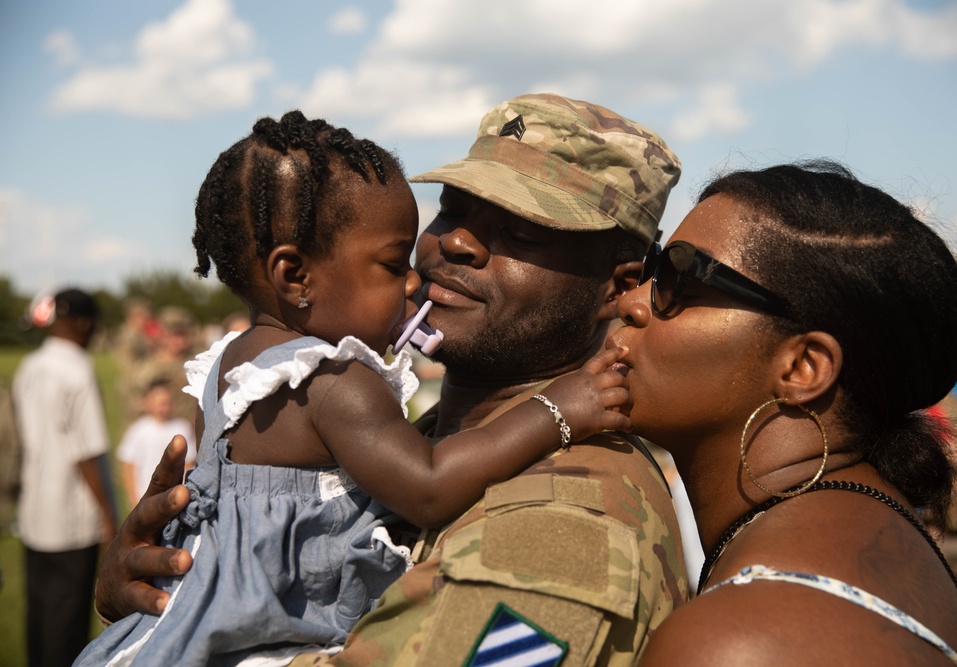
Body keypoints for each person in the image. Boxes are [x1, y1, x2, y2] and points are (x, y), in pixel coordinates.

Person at [94, 94, 689, 666]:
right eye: (454, 209)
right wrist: (157, 586)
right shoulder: (417, 435)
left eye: (523, 232)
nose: (455, 241)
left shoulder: (567, 530)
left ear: (618, 286)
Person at [619, 161, 957, 665]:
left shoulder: (739, 642)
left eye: (679, 278)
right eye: (650, 267)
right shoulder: (874, 528)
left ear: (802, 367)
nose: (631, 301)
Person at [13, 287, 118, 667]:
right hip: (71, 518)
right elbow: (87, 452)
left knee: (39, 613)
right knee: (68, 622)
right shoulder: (77, 369)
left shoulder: (30, 367)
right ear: (84, 323)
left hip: (34, 511)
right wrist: (109, 517)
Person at [116, 377, 196, 508]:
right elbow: (129, 468)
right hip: (145, 497)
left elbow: (189, 464)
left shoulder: (182, 428)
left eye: (166, 403)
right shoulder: (138, 430)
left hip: (175, 498)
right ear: (148, 403)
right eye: (160, 403)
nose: (163, 408)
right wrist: (134, 500)